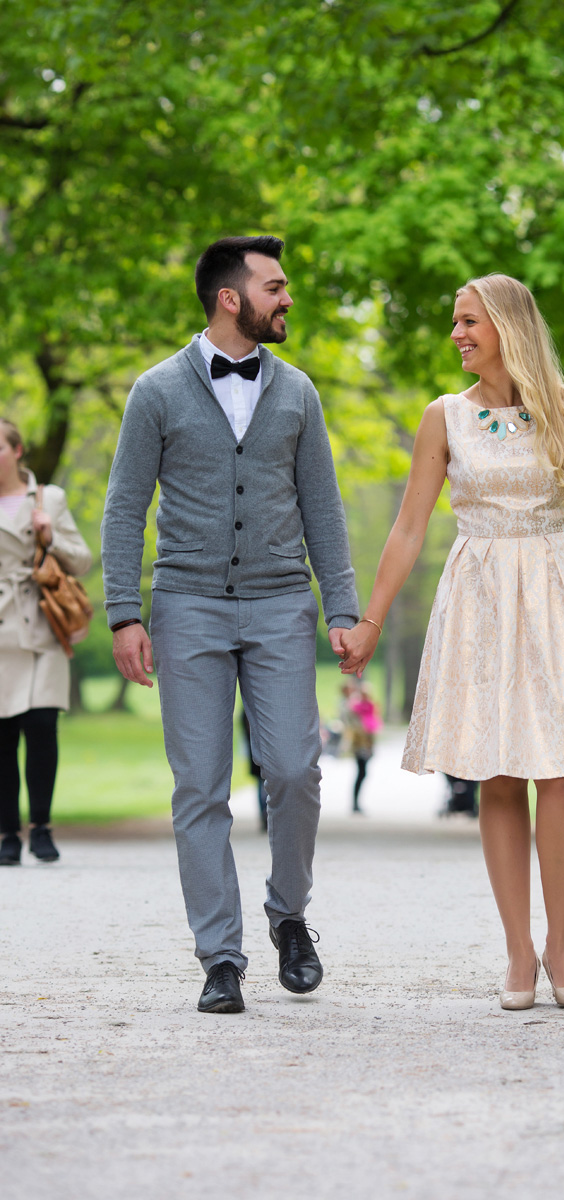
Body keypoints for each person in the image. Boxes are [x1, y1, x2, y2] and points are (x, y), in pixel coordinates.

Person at [340, 274, 564, 1012]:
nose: (457, 334)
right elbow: (409, 528)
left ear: (507, 325)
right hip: (478, 598)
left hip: (559, 595)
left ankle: (561, 945)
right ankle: (517, 951)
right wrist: (370, 622)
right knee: (499, 774)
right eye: (455, 322)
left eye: (468, 321)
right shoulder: (443, 417)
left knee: (562, 769)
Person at [101, 235, 359, 1014]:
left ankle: (289, 917)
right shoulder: (155, 391)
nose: (287, 299)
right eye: (275, 287)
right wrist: (124, 613)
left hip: (282, 602)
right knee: (200, 787)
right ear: (229, 298)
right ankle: (220, 956)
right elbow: (123, 508)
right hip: (186, 606)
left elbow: (324, 506)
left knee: (293, 770)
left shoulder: (299, 392)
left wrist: (341, 607)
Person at [0, 418, 92, 866]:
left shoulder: (48, 498)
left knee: (41, 728)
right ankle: (6, 834)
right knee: (1, 736)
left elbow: (82, 560)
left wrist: (50, 537)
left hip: (42, 625)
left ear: (17, 451)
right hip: (0, 632)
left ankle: (41, 827)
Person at [341, 681, 382, 813]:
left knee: (362, 772)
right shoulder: (353, 707)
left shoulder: (365, 707)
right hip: (359, 743)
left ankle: (356, 802)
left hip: (365, 743)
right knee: (362, 772)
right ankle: (355, 803)